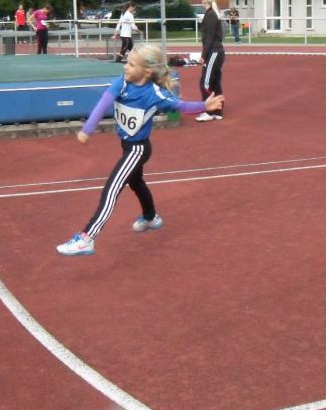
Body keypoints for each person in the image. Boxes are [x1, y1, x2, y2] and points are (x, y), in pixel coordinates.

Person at [56, 43, 224, 256]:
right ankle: (151, 218)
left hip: (138, 150)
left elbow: (181, 106)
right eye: (127, 62)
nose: (125, 67)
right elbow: (104, 102)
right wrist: (88, 128)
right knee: (136, 182)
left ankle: (87, 238)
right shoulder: (122, 83)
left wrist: (204, 106)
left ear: (146, 72)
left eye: (131, 64)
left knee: (112, 189)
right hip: (127, 146)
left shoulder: (155, 94)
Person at [195, 0, 225, 122]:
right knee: (215, 82)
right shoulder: (211, 14)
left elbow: (209, 38)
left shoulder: (211, 15)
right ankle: (217, 111)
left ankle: (208, 111)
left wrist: (203, 56)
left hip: (214, 52)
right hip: (216, 52)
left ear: (205, 0)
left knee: (205, 83)